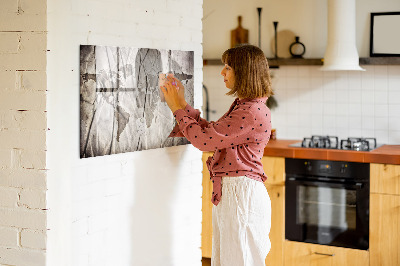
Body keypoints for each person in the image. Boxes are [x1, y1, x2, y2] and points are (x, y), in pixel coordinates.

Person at [161, 44, 273, 266]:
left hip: (241, 195)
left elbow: (204, 141)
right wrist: (182, 104)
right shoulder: (246, 106)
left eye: (228, 67)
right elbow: (212, 133)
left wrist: (176, 108)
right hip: (236, 193)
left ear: (244, 72)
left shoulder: (250, 111)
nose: (222, 72)